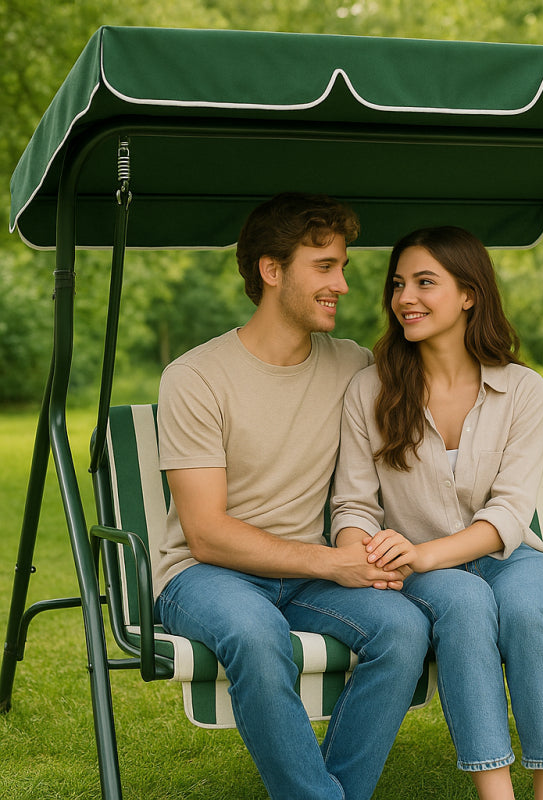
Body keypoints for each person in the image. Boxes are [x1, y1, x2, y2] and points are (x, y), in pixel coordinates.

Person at [153, 193, 430, 800]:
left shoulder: (354, 366)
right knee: (255, 634)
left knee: (404, 629)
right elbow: (205, 531)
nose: (344, 284)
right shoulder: (194, 378)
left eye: (344, 266)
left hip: (307, 577)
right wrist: (335, 562)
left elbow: (436, 384)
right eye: (325, 266)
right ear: (271, 270)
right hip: (205, 575)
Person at [331, 226, 543, 800]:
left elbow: (513, 510)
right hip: (423, 572)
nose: (405, 298)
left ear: (468, 293)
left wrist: (428, 551)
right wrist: (362, 555)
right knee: (464, 603)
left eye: (425, 283)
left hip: (512, 557)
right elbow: (353, 503)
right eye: (398, 285)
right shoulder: (370, 389)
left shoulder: (522, 389)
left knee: (522, 604)